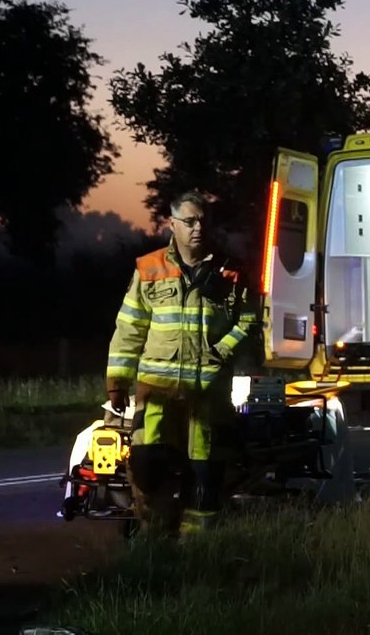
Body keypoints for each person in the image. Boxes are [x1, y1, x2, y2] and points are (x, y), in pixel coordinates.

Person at [106, 192, 257, 536]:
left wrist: (220, 351)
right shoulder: (149, 269)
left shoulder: (231, 272)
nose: (198, 227)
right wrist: (117, 381)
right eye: (189, 221)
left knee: (204, 477)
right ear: (172, 224)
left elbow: (249, 322)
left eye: (203, 220)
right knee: (147, 468)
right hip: (156, 394)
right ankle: (155, 543)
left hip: (207, 396)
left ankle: (197, 555)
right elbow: (129, 328)